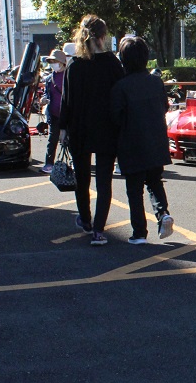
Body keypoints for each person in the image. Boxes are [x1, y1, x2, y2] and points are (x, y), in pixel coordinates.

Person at [58, 14, 125, 246]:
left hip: (80, 128)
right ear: (103, 37)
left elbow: (66, 102)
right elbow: (120, 97)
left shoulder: (74, 65)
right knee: (104, 181)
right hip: (107, 129)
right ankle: (99, 230)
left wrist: (63, 130)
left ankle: (85, 220)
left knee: (82, 178)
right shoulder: (113, 64)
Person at [111, 36, 175, 244]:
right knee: (155, 182)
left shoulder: (121, 86)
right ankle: (162, 213)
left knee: (134, 189)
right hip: (156, 141)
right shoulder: (156, 82)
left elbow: (116, 117)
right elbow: (164, 107)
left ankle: (139, 233)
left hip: (131, 144)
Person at [39, 49, 66, 173]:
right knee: (52, 139)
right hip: (54, 114)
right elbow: (46, 93)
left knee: (69, 139)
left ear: (62, 62)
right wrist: (44, 99)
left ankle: (74, 162)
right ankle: (49, 164)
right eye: (51, 61)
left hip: (67, 113)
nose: (53, 63)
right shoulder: (49, 78)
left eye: (55, 61)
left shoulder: (68, 75)